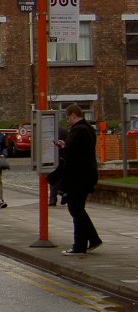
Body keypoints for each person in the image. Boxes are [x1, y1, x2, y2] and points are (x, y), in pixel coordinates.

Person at [49, 105, 101, 255]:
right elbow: (80, 151)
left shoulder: (77, 130)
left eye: (67, 117)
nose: (67, 121)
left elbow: (72, 157)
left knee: (76, 210)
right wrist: (66, 145)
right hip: (87, 175)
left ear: (72, 115)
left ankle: (81, 245)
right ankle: (88, 241)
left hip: (78, 177)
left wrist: (61, 179)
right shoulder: (88, 129)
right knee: (78, 209)